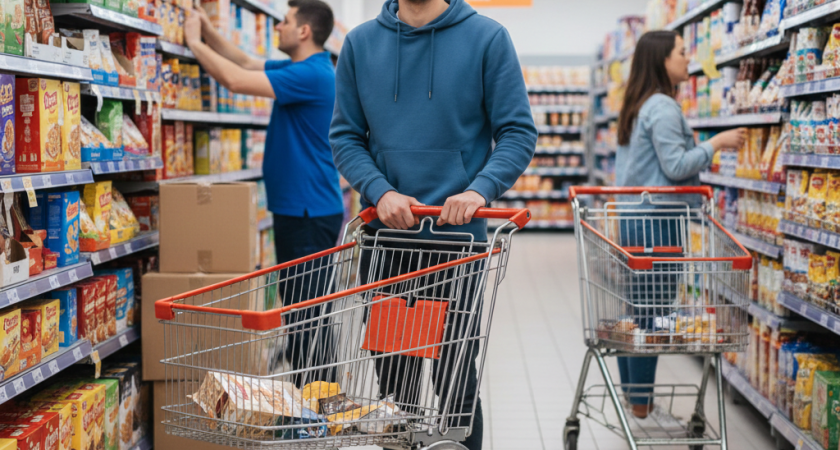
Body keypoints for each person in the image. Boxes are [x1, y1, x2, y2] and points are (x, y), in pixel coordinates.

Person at [330, 0, 537, 448]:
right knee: (396, 390)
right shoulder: (361, 44)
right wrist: (379, 190)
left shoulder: (486, 38)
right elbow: (345, 135)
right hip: (388, 247)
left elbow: (518, 132)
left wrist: (479, 189)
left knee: (454, 384)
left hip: (457, 248)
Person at [184, 0, 343, 384]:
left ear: (304, 31)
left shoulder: (312, 75)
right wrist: (206, 27)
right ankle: (317, 400)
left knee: (306, 317)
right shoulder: (303, 68)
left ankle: (317, 406)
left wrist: (193, 44)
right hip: (302, 208)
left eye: (284, 22)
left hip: (307, 212)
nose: (277, 28)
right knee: (303, 311)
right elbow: (244, 60)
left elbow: (236, 80)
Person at [614, 30, 747, 419]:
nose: (688, 58)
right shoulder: (663, 107)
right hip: (656, 223)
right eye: (682, 51)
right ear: (662, 59)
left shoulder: (639, 103)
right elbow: (675, 167)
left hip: (635, 219)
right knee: (654, 312)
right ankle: (641, 404)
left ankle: (636, 397)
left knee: (639, 310)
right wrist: (716, 143)